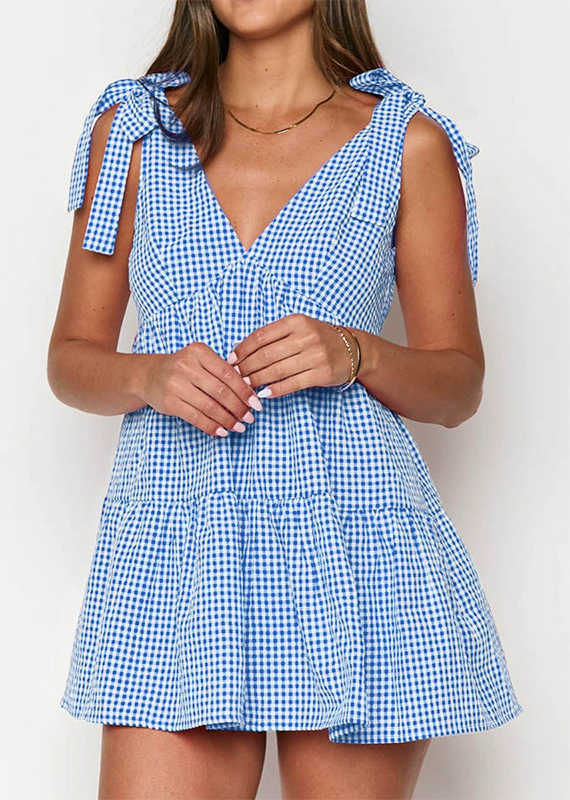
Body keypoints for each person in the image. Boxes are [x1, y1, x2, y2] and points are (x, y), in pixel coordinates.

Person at [48, 0, 524, 797]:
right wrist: (148, 376)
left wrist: (356, 352)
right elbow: (70, 358)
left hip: (354, 543)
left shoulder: (405, 142)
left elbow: (459, 385)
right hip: (179, 542)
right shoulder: (130, 134)